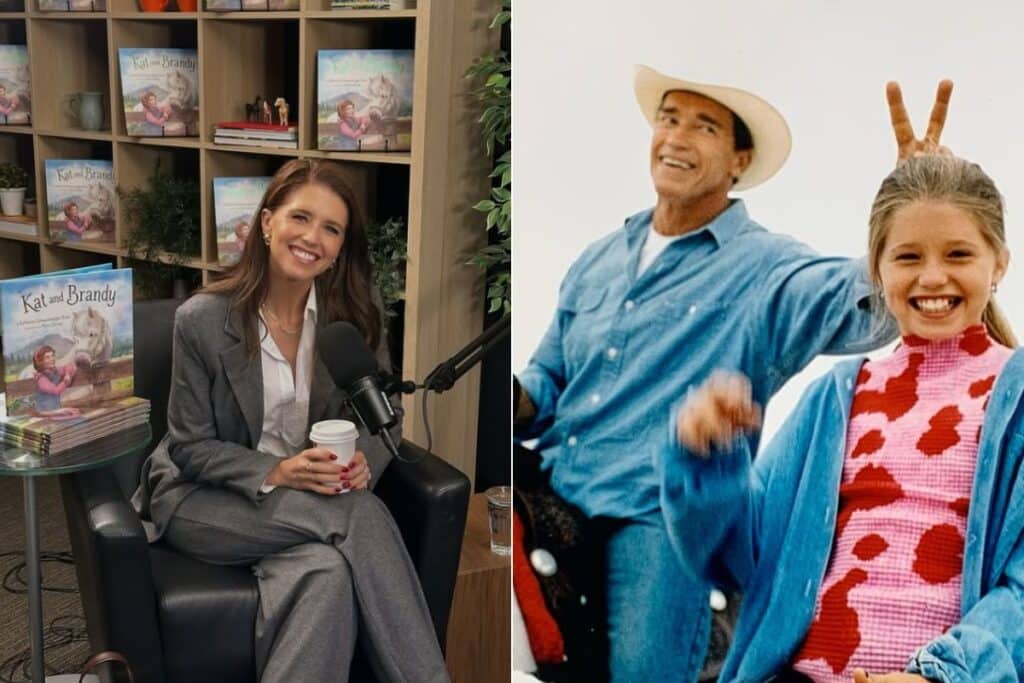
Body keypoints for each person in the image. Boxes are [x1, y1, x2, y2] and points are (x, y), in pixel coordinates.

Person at [513, 67, 949, 681]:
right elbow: (547, 383)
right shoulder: (598, 258)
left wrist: (914, 216)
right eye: (669, 118)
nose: (677, 137)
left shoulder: (765, 266)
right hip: (555, 482)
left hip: (656, 515)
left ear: (739, 160)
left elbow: (868, 305)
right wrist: (511, 398)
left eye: (705, 126)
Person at [663, 152, 1023, 682]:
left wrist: (947, 673)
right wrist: (706, 462)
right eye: (907, 257)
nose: (932, 275)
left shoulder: (1013, 398)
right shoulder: (837, 396)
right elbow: (744, 557)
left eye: (958, 254)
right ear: (876, 269)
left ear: (999, 264)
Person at [131, 158, 450, 683]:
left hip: (309, 506)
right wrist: (277, 472)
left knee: (325, 576)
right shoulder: (203, 320)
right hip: (204, 499)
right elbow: (189, 448)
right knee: (358, 517)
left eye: (331, 229)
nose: (312, 238)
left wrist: (362, 467)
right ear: (266, 223)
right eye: (300, 218)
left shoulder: (354, 313)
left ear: (340, 248)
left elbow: (382, 419)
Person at [31, 345, 80, 418]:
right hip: (45, 412)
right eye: (47, 357)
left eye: (52, 356)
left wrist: (67, 374)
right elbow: (55, 391)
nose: (52, 359)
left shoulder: (54, 371)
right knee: (75, 417)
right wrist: (65, 381)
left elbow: (69, 366)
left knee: (76, 414)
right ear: (40, 361)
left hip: (55, 410)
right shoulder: (41, 378)